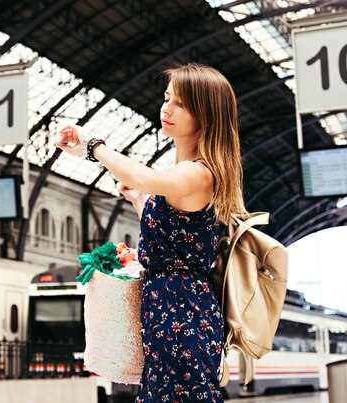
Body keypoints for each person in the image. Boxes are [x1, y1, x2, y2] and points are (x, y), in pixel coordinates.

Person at [56, 63, 246, 402]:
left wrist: (93, 146)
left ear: (205, 114)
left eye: (181, 103)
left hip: (180, 314)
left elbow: (146, 177)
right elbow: (174, 237)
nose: (166, 108)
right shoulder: (186, 175)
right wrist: (140, 201)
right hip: (167, 309)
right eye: (167, 97)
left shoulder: (200, 172)